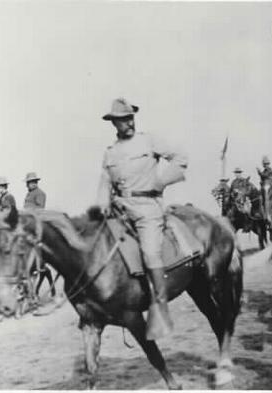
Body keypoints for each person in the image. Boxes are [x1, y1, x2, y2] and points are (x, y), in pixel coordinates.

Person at [96, 97, 188, 340]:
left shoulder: (149, 141)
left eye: (130, 117)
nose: (128, 122)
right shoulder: (110, 153)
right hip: (119, 209)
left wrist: (161, 181)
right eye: (122, 120)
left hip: (148, 208)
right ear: (114, 124)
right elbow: (105, 181)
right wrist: (103, 203)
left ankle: (160, 306)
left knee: (149, 252)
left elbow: (180, 158)